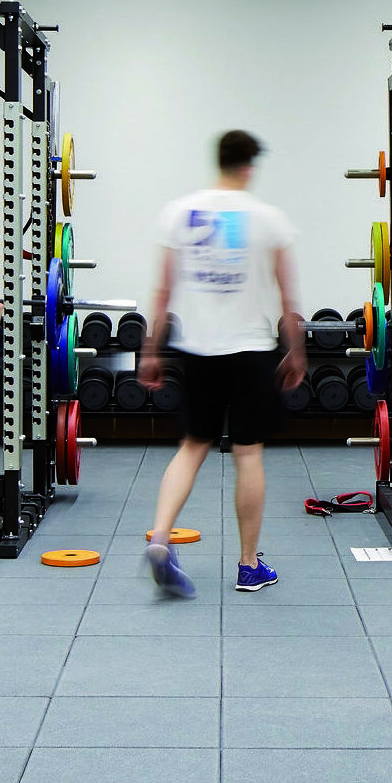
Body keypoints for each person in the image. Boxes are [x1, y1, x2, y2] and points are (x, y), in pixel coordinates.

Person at [140, 129, 305, 598]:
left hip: (197, 349)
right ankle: (249, 566)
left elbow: (162, 291)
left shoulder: (181, 212)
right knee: (248, 452)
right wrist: (296, 350)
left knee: (192, 446)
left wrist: (152, 350)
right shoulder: (267, 219)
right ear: (249, 166)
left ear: (219, 160)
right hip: (251, 350)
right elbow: (288, 297)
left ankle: (160, 536)